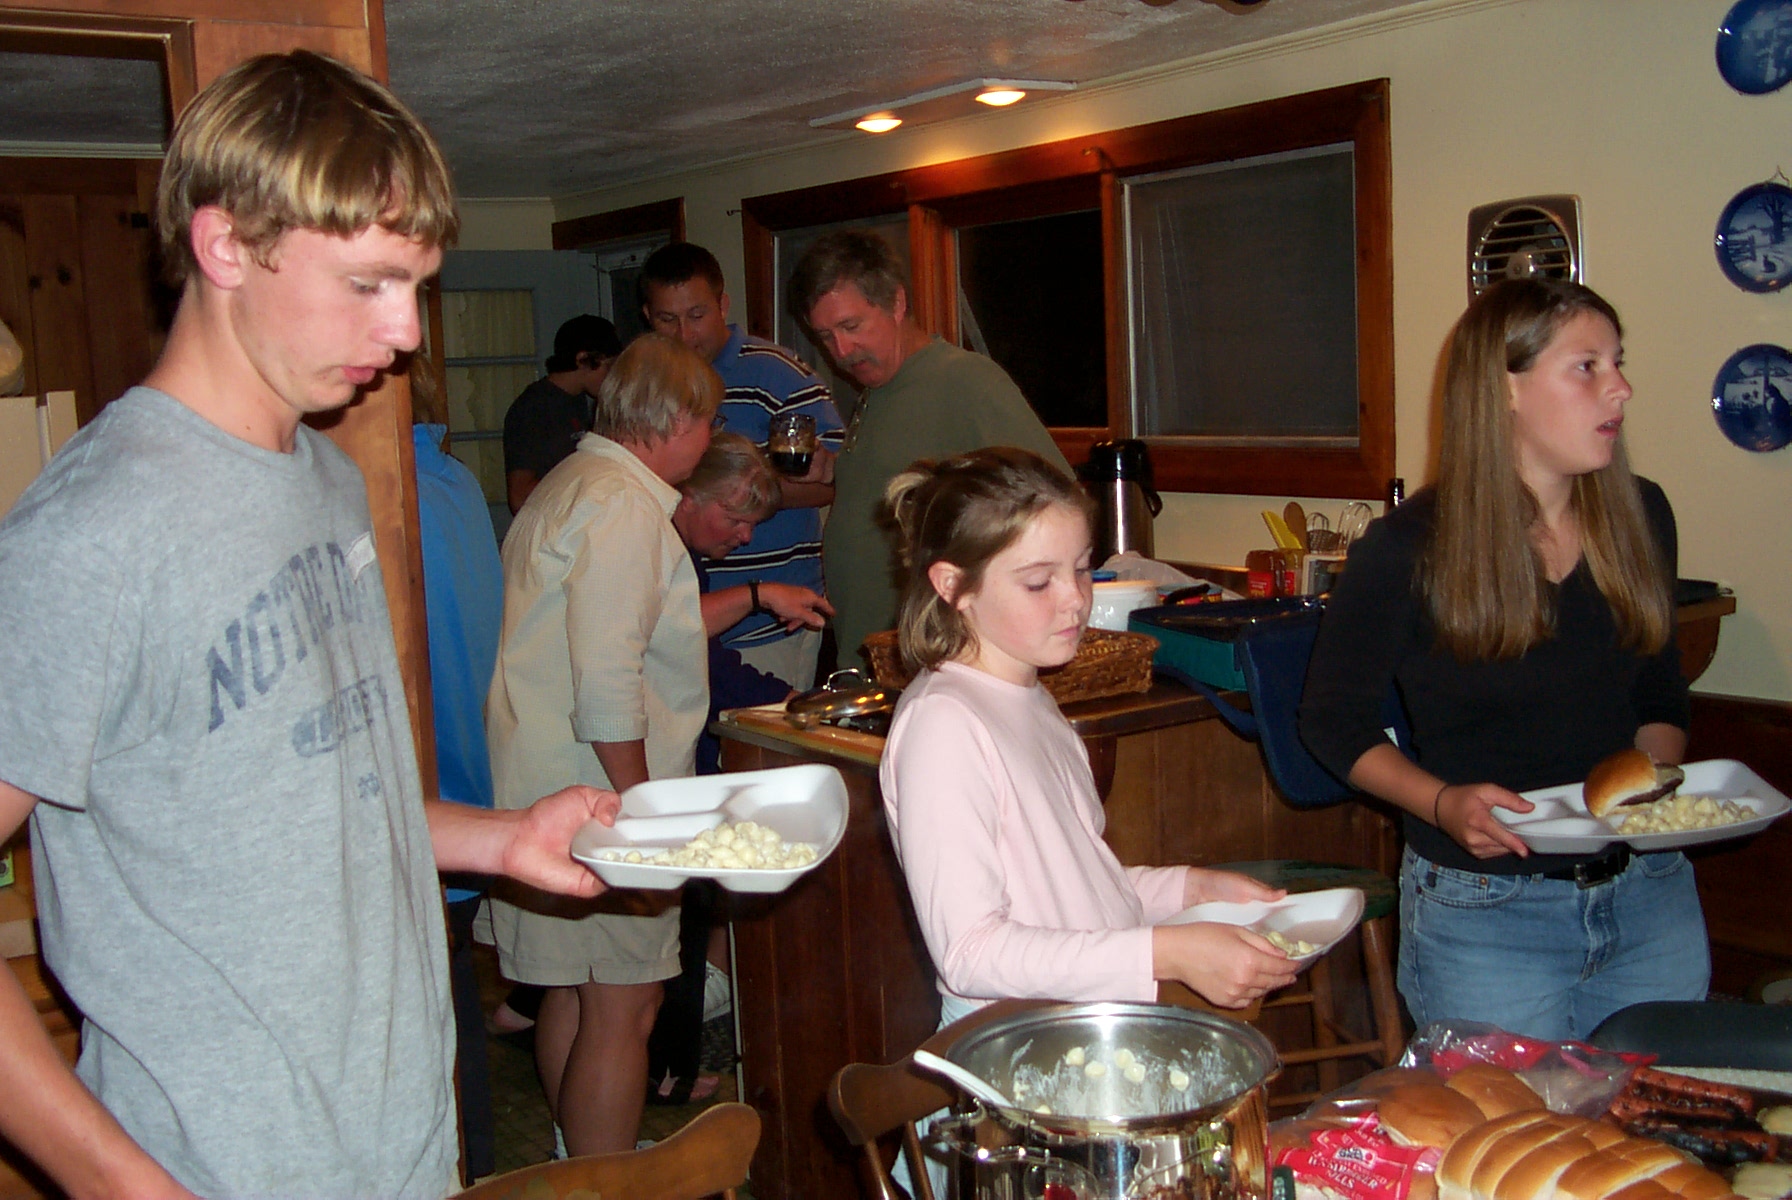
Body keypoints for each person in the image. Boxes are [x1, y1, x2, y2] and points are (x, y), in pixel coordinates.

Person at [0, 50, 618, 1200]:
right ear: (225, 245)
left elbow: (322, 805)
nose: (408, 332)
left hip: (397, 1147)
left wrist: (502, 839)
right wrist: (128, 1187)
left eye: (417, 286)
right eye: (370, 283)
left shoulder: (324, 479)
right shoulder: (95, 531)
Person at [1298, 278, 1704, 1042]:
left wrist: (1654, 787)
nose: (1620, 387)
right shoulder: (1407, 547)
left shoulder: (1644, 515)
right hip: (1487, 913)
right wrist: (1441, 804)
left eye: (1618, 362)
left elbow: (1660, 691)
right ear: (1505, 388)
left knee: (1648, 1118)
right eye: (1587, 366)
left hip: (1649, 894)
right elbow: (1331, 720)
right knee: (1505, 1121)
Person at [880, 447, 1300, 1026]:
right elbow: (970, 953)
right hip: (1014, 1040)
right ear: (955, 586)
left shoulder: (1033, 698)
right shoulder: (943, 724)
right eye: (1038, 582)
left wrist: (1189, 890)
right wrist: (1166, 951)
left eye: (1081, 568)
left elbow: (1067, 891)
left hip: (1075, 1022)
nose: (1076, 598)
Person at [485, 332, 718, 1156]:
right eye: (709, 421)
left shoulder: (570, 481)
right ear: (676, 418)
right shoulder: (622, 505)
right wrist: (643, 811)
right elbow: (610, 682)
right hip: (598, 791)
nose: (711, 439)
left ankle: (578, 1160)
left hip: (547, 779)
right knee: (627, 1002)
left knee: (573, 991)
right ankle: (606, 1176)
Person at [789, 229, 1072, 669]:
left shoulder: (965, 380)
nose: (840, 350)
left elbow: (1057, 500)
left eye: (851, 326)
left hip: (933, 660)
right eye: (825, 335)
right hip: (868, 655)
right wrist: (833, 469)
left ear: (897, 303)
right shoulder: (875, 390)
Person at [647, 432, 820, 1107]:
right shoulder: (659, 546)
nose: (744, 536)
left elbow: (704, 659)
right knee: (677, 918)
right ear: (689, 496)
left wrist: (779, 698)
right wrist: (757, 595)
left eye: (752, 525)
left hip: (671, 744)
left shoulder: (680, 549)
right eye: (735, 518)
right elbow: (669, 638)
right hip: (654, 754)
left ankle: (663, 1059)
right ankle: (665, 1070)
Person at [641, 241, 842, 689]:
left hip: (769, 623)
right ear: (647, 316)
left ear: (722, 305)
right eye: (667, 320)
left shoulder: (779, 375)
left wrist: (738, 498)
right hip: (676, 618)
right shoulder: (646, 382)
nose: (684, 334)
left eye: (696, 315)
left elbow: (837, 480)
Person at [410, 352, 503, 1180]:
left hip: (424, 799)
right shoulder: (457, 483)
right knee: (455, 1012)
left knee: (433, 1028)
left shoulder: (385, 496)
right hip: (471, 781)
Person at [503, 313, 622, 513]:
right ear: (583, 360)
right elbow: (519, 496)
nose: (612, 377)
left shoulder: (581, 401)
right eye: (608, 367)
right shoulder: (532, 408)